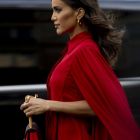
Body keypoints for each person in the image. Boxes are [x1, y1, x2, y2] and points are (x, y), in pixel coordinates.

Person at [20, 0, 140, 139]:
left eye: (58, 10)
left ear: (79, 13)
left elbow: (101, 105)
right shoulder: (75, 50)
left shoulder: (84, 51)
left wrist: (47, 105)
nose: (53, 17)